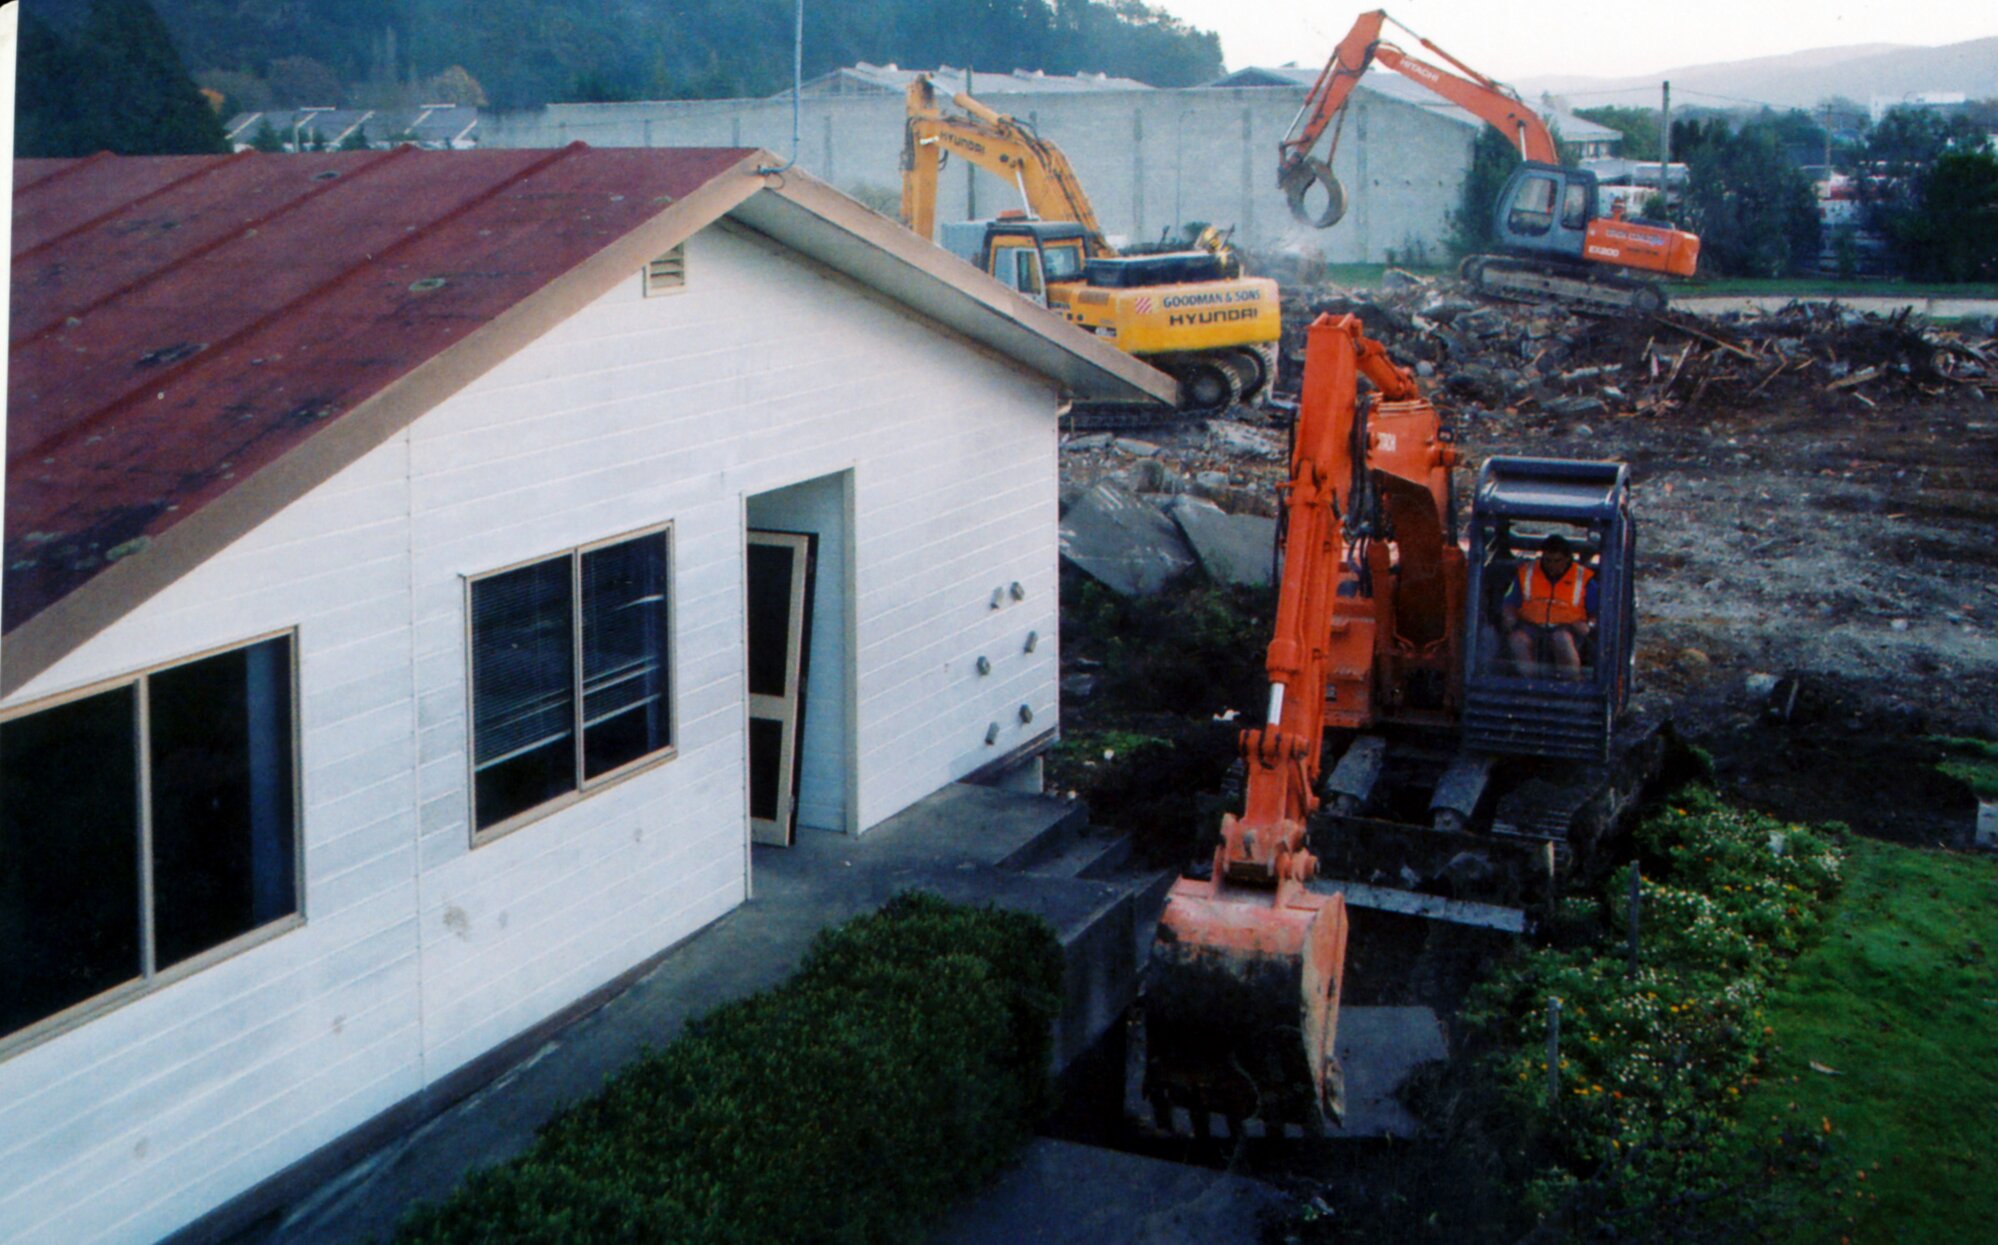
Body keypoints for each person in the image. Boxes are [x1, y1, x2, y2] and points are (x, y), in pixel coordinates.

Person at [1503, 534, 1597, 677]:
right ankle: (1530, 684)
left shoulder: (1583, 578)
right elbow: (1509, 603)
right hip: (1531, 625)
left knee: (1561, 640)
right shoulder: (1526, 573)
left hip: (1567, 627)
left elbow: (1597, 612)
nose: (1551, 565)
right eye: (1547, 560)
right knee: (1518, 640)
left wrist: (1589, 626)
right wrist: (1509, 618)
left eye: (1557, 561)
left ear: (1567, 559)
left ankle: (1571, 685)